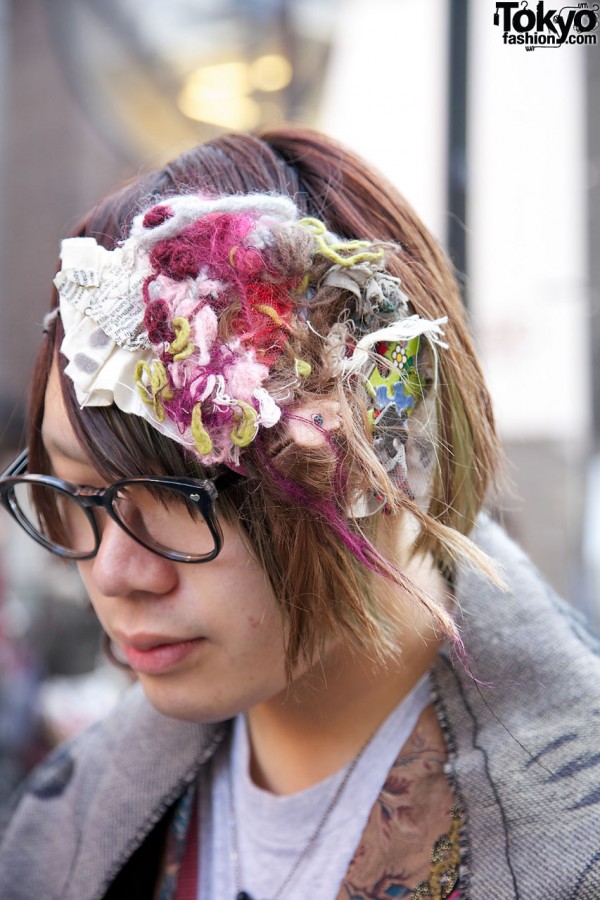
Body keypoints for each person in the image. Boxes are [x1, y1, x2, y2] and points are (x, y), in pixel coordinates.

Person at [0, 126, 598, 900]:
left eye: (189, 494)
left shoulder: (568, 846)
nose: (114, 572)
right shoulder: (63, 832)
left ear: (382, 455)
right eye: (80, 492)